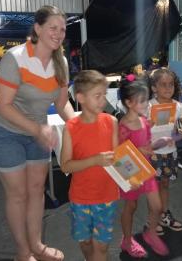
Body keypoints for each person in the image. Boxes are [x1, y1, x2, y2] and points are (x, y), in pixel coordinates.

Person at [0, 5, 75, 261]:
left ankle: (36, 245)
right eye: (53, 28)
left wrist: (77, 124)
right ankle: (23, 253)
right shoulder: (15, 57)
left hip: (37, 134)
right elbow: (3, 105)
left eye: (63, 29)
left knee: (36, 190)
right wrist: (38, 129)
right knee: (18, 194)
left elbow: (61, 102)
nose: (58, 34)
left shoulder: (62, 62)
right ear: (37, 28)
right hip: (4, 132)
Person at [60, 70, 120, 261]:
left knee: (101, 248)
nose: (103, 100)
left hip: (107, 197)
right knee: (85, 243)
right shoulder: (71, 128)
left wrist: (133, 173)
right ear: (80, 97)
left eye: (104, 94)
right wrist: (94, 160)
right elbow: (65, 166)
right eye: (97, 95)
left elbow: (118, 158)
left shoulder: (111, 122)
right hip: (81, 198)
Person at [118, 74, 169, 258]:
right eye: (142, 101)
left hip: (146, 171)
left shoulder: (144, 122)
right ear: (129, 103)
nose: (147, 104)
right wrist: (131, 175)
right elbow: (120, 156)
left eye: (146, 100)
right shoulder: (123, 125)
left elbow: (147, 146)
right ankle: (127, 239)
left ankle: (151, 233)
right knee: (130, 207)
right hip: (132, 173)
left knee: (157, 207)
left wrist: (156, 145)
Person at [148, 68, 182, 235]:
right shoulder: (148, 106)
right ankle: (152, 217)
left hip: (170, 152)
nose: (168, 88)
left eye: (171, 85)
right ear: (154, 88)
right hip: (152, 153)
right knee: (153, 188)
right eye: (163, 85)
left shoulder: (178, 106)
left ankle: (164, 215)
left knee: (165, 185)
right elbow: (139, 130)